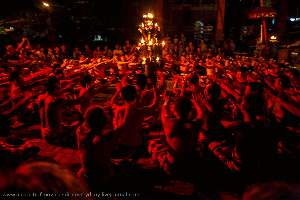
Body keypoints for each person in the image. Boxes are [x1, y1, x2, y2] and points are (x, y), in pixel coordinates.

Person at [77, 106, 117, 191]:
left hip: (86, 170)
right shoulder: (104, 138)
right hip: (99, 174)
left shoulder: (80, 131)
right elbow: (110, 153)